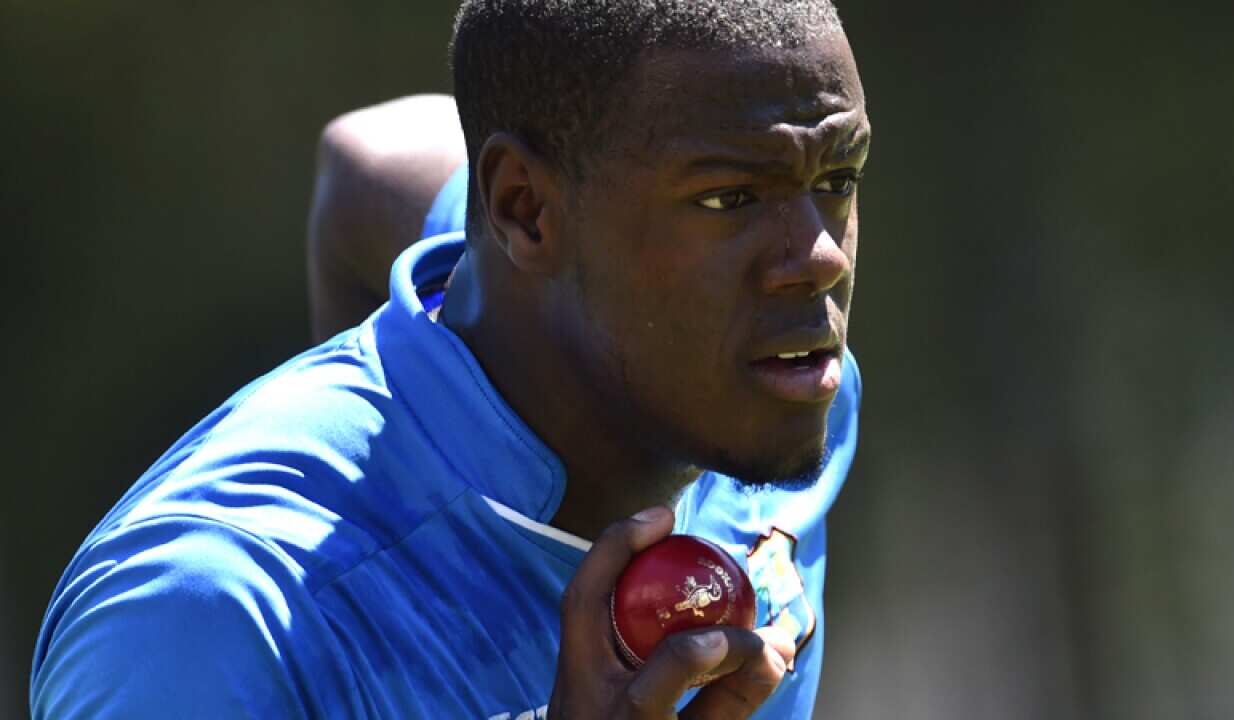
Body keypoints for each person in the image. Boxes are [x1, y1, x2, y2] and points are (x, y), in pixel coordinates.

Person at [30, 1, 871, 718]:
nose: (820, 256)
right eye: (731, 197)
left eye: (837, 177)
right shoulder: (208, 624)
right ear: (525, 210)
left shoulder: (775, 386)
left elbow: (366, 155)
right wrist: (384, 490)